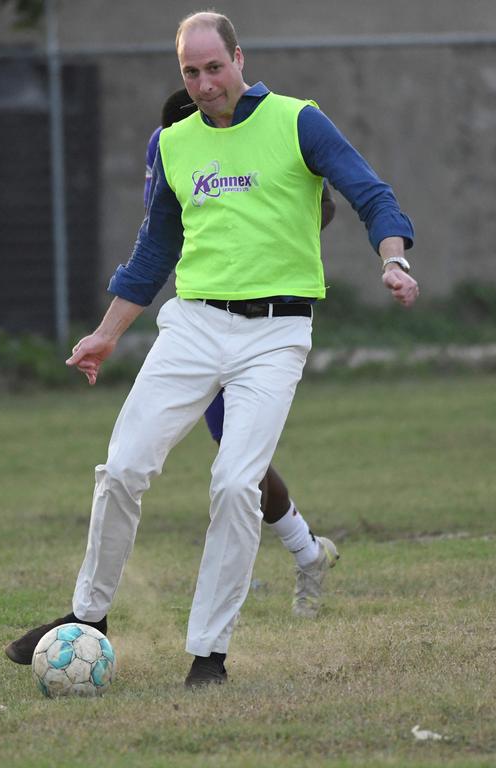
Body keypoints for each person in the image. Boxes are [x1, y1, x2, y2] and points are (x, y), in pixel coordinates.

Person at [6, 11, 418, 688]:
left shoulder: (297, 120)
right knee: (122, 468)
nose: (203, 84)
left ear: (238, 59)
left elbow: (369, 192)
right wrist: (107, 334)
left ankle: (209, 654)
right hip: (193, 327)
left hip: (275, 335)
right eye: (190, 73)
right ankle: (87, 618)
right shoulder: (173, 144)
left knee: (234, 485)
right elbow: (154, 252)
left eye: (213, 68)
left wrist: (392, 258)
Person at [147, 87, 341, 620]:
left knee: (240, 466)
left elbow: (320, 208)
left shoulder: (271, 136)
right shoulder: (169, 145)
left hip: (267, 326)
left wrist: (262, 228)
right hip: (201, 321)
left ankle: (299, 555)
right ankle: (307, 552)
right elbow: (160, 229)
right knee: (227, 460)